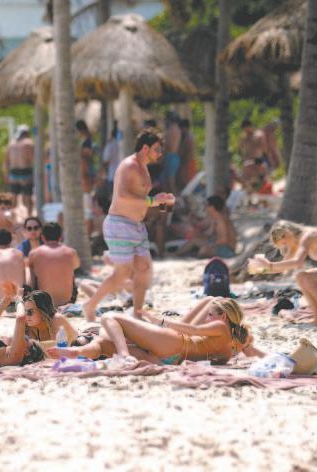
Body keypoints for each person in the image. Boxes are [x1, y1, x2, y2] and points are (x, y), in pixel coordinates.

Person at [82, 128, 175, 321]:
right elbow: (123, 196)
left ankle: (137, 314)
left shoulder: (144, 168)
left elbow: (142, 200)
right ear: (145, 148)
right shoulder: (129, 165)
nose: (160, 154)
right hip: (120, 224)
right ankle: (90, 305)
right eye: (157, 149)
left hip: (137, 225)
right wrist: (153, 201)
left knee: (144, 269)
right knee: (122, 274)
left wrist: (164, 203)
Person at [48, 297, 263, 362]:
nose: (207, 318)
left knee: (109, 317)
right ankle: (75, 352)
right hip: (171, 359)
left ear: (223, 317)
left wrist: (161, 322)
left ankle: (123, 354)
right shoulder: (233, 345)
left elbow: (191, 329)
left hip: (174, 343)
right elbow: (257, 353)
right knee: (104, 344)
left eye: (210, 314)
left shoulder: (220, 326)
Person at [0, 286, 79, 368]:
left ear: (42, 311)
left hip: (75, 344)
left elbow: (57, 347)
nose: (26, 315)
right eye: (25, 311)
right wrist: (7, 299)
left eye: (30, 312)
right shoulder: (27, 325)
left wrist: (18, 301)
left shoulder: (56, 319)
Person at [28, 222, 80, 306]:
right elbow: (76, 266)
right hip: (68, 301)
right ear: (60, 237)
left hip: (43, 302)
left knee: (30, 269)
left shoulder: (34, 253)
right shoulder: (71, 252)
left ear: (43, 237)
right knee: (70, 270)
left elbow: (31, 279)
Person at [4, 124, 35, 216]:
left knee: (14, 200)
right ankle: (29, 217)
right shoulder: (28, 143)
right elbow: (33, 159)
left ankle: (13, 219)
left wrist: (6, 175)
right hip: (25, 172)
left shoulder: (11, 144)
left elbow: (6, 162)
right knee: (27, 199)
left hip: (13, 173)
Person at [77, 119, 97, 216]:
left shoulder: (87, 140)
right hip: (88, 168)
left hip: (87, 168)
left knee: (87, 193)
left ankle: (89, 215)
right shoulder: (89, 139)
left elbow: (90, 152)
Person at [159, 111, 182, 193]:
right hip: (174, 156)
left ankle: (174, 198)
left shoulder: (171, 130)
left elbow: (168, 145)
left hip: (170, 156)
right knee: (168, 180)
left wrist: (161, 156)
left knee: (169, 181)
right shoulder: (178, 129)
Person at [176, 119, 197, 192]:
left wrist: (184, 162)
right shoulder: (185, 137)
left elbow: (189, 152)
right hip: (185, 163)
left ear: (185, 127)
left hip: (188, 163)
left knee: (188, 183)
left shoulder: (189, 137)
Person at [102, 124, 121, 191]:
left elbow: (106, 160)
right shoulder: (120, 144)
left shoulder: (109, 145)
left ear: (111, 135)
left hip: (112, 175)